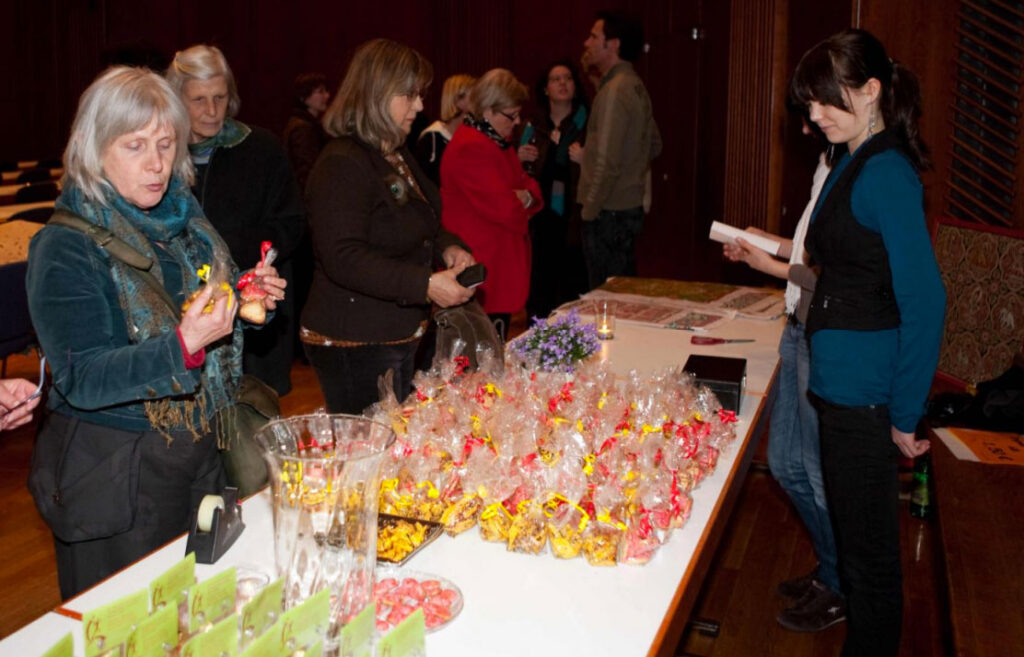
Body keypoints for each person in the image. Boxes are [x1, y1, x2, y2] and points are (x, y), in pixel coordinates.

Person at [25, 67, 285, 598]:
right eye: (135, 145)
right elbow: (83, 376)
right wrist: (184, 345)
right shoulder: (65, 246)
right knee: (133, 625)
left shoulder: (183, 219)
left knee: (200, 611)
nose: (157, 163)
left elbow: (194, 302)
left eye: (166, 144)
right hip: (116, 475)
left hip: (198, 452)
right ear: (95, 151)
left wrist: (247, 296)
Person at [790, 29, 946, 656]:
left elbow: (926, 301)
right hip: (843, 387)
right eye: (809, 103)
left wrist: (905, 414)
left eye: (827, 100)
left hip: (866, 397)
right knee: (860, 554)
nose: (815, 114)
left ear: (872, 91)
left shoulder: (884, 171)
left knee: (871, 564)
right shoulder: (854, 157)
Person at [303, 38, 474, 415]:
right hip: (354, 341)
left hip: (392, 334)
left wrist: (448, 246)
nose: (420, 105)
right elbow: (343, 257)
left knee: (391, 451)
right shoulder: (342, 163)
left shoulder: (392, 151)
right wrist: (426, 284)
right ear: (376, 94)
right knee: (368, 457)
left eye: (419, 94)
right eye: (409, 94)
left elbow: (422, 216)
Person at [722, 120, 843, 632]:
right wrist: (767, 243)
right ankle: (834, 568)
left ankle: (841, 583)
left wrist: (768, 266)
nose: (809, 120)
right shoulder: (827, 162)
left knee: (816, 472)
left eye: (816, 106)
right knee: (788, 465)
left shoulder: (856, 170)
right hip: (796, 324)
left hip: (819, 329)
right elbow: (806, 254)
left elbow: (833, 275)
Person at [167, 45, 304, 396]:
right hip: (181, 315)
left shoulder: (261, 149)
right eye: (199, 100)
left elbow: (291, 225)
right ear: (176, 99)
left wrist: (223, 251)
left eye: (220, 97)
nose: (212, 111)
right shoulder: (162, 153)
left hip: (255, 318)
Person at [441, 68, 543, 338]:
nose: (518, 121)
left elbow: (531, 189)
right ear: (488, 110)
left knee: (492, 350)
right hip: (483, 267)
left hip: (498, 263)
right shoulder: (471, 147)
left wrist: (526, 196)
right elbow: (506, 209)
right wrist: (521, 198)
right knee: (480, 357)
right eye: (512, 115)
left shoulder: (497, 141)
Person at [577, 10, 661, 289]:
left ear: (613, 44)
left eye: (593, 36)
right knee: (622, 291)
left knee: (604, 298)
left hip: (608, 212)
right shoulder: (636, 86)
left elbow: (606, 161)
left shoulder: (614, 90)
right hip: (627, 208)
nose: (586, 43)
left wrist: (589, 211)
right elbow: (654, 144)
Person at [518, 59, 589, 319]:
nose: (562, 83)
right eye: (556, 79)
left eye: (568, 78)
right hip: (540, 219)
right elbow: (515, 174)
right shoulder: (532, 126)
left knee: (572, 289)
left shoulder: (587, 123)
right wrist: (519, 157)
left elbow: (605, 164)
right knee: (540, 289)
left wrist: (587, 159)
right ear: (545, 89)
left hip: (574, 218)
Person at [414, 73, 475, 187]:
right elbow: (424, 183)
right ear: (458, 100)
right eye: (473, 95)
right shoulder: (431, 138)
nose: (478, 101)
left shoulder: (473, 135)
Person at [283, 72, 331, 191]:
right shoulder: (303, 129)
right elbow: (306, 172)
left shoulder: (306, 125)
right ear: (303, 97)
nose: (327, 95)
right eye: (320, 92)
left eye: (325, 91)